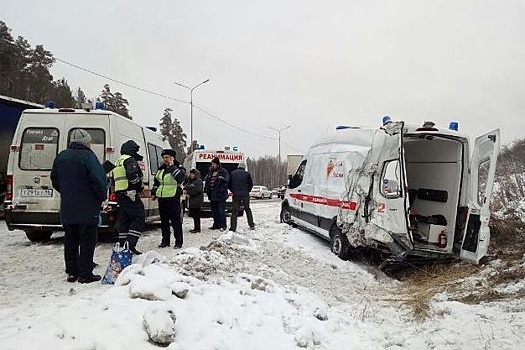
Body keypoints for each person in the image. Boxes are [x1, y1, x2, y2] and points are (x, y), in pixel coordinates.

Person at [50, 129, 108, 283]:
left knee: (70, 240)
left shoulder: (61, 156)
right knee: (88, 240)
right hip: (87, 208)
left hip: (68, 207)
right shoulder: (88, 157)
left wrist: (67, 192)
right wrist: (102, 196)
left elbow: (54, 179)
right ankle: (85, 274)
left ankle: (72, 272)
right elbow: (99, 180)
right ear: (86, 142)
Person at [113, 140, 145, 255]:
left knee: (125, 219)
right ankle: (130, 244)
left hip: (120, 193)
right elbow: (132, 175)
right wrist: (137, 185)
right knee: (139, 217)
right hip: (130, 193)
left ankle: (122, 244)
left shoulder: (118, 161)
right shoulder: (129, 160)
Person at [151, 149, 186, 248]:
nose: (165, 159)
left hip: (173, 197)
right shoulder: (161, 169)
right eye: (164, 157)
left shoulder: (179, 168)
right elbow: (157, 182)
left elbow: (180, 178)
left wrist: (171, 167)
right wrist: (154, 192)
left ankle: (178, 242)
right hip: (162, 198)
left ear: (172, 158)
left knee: (175, 221)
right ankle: (165, 241)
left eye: (167, 157)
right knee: (164, 221)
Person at [228, 161, 255, 232]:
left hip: (236, 194)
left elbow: (229, 184)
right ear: (244, 167)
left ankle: (233, 228)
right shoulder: (247, 174)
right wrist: (247, 191)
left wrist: (233, 190)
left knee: (235, 211)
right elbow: (250, 184)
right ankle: (251, 225)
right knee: (247, 209)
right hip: (245, 194)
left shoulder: (232, 173)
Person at [204, 157, 229, 231]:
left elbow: (226, 183)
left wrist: (221, 191)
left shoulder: (223, 172)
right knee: (214, 211)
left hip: (220, 196)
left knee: (221, 211)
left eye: (213, 164)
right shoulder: (210, 172)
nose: (212, 165)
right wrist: (207, 189)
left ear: (218, 164)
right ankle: (216, 224)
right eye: (212, 164)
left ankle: (223, 225)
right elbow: (207, 181)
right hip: (212, 195)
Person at [184, 169, 204, 233]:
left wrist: (189, 193)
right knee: (194, 215)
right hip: (192, 201)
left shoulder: (199, 181)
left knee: (197, 216)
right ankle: (195, 227)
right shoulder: (190, 182)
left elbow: (198, 190)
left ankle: (197, 228)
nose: (191, 175)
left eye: (192, 174)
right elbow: (186, 187)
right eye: (190, 174)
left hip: (197, 201)